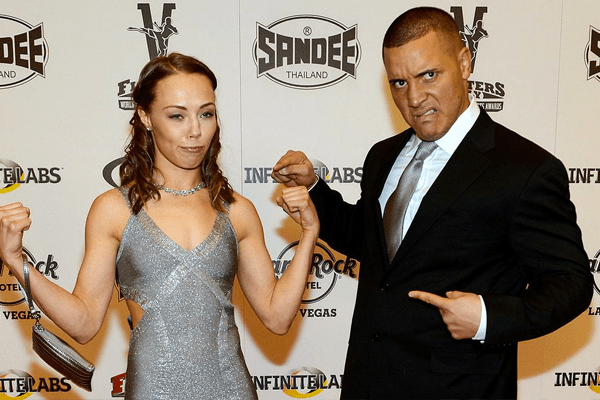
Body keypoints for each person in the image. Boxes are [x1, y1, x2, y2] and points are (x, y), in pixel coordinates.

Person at [272, 6, 592, 399]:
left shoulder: (525, 169)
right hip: (369, 382)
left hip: (459, 389)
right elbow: (375, 245)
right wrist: (314, 190)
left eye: (428, 75)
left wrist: (487, 317)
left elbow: (571, 284)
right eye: (399, 83)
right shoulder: (383, 156)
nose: (415, 98)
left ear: (464, 63)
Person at [0, 53, 319, 400]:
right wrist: (16, 260)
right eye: (177, 116)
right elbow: (84, 323)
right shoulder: (114, 210)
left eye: (206, 114)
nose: (195, 131)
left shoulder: (237, 211)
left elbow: (277, 318)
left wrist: (308, 234)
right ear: (145, 117)